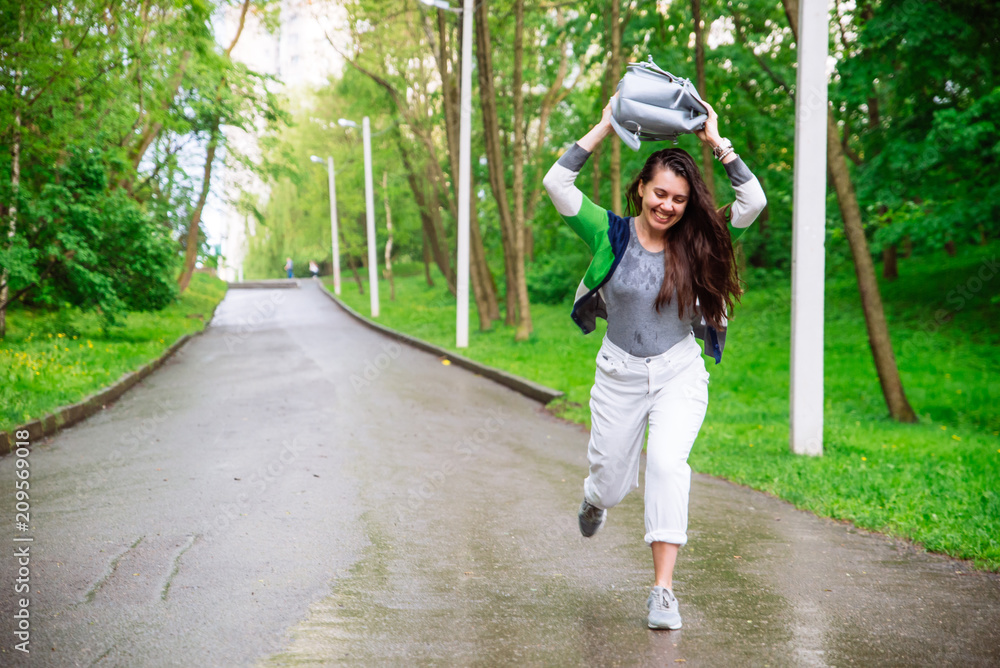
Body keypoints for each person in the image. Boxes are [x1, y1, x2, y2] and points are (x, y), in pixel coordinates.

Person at [542, 97, 766, 630]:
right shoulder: (609, 232)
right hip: (619, 374)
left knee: (667, 464)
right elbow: (557, 185)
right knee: (612, 482)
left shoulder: (700, 239)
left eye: (679, 199)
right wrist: (603, 127)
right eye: (660, 194)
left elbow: (752, 201)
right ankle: (595, 499)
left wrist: (718, 144)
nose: (667, 206)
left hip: (678, 372)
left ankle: (663, 592)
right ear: (641, 188)